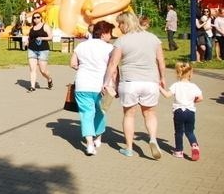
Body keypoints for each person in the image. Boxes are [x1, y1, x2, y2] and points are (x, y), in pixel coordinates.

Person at [103, 11, 166, 159]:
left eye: (120, 24)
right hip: (151, 81)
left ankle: (129, 148)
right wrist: (162, 78)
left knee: (129, 115)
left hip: (130, 82)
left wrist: (106, 82)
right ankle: (152, 139)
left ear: (126, 23)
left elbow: (113, 64)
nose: (119, 27)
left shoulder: (122, 41)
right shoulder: (153, 38)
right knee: (150, 113)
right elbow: (161, 61)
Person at [70, 21, 114, 155]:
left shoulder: (81, 46)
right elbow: (113, 68)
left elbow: (72, 64)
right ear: (104, 33)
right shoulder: (109, 48)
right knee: (100, 111)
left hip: (82, 84)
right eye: (110, 33)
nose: (111, 36)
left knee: (86, 114)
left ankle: (89, 144)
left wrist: (83, 68)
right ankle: (98, 137)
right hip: (101, 85)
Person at [160, 62, 203, 161]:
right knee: (190, 131)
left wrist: (159, 88)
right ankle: (194, 145)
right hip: (190, 111)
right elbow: (201, 98)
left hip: (179, 111)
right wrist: (193, 101)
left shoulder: (176, 85)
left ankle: (179, 151)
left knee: (179, 132)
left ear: (178, 73)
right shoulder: (194, 86)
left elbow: (167, 95)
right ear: (190, 74)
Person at [26, 12, 53, 92]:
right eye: (34, 18)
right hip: (32, 49)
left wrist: (42, 38)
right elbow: (30, 37)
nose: (36, 19)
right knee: (32, 69)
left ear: (41, 17)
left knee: (43, 70)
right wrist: (27, 42)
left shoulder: (45, 26)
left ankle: (49, 79)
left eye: (38, 17)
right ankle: (32, 86)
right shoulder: (32, 27)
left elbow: (51, 37)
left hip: (43, 50)